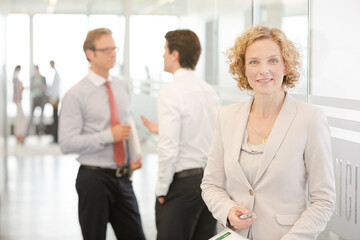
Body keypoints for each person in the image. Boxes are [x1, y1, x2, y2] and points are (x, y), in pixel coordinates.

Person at [201, 25, 336, 240]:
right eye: (254, 61)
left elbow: (324, 200)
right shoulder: (226, 117)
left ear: (286, 66)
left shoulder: (310, 118)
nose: (264, 69)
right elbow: (210, 185)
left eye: (273, 60)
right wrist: (227, 210)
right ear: (243, 69)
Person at [59, 28, 145, 240]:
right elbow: (67, 143)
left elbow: (127, 123)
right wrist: (109, 136)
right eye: (106, 49)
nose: (112, 53)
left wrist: (134, 154)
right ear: (90, 54)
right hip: (93, 179)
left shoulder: (122, 86)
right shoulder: (76, 94)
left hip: (123, 177)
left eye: (114, 48)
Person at [141, 29, 220, 240]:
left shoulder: (171, 92)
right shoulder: (209, 91)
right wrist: (162, 127)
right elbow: (206, 131)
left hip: (182, 185)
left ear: (175, 54)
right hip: (209, 183)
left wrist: (161, 188)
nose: (163, 55)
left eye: (165, 50)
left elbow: (168, 147)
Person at [26, 65, 47, 137]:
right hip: (34, 98)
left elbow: (45, 88)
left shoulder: (43, 78)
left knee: (41, 116)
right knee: (31, 116)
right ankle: (27, 133)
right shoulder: (32, 78)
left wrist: (43, 88)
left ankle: (40, 132)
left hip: (41, 98)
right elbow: (31, 88)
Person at [12, 65, 26, 144]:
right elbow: (16, 90)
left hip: (18, 100)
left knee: (21, 117)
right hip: (18, 100)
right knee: (20, 118)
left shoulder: (15, 77)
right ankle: (19, 135)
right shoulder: (15, 77)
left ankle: (19, 135)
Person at [48, 60, 60, 143]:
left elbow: (56, 89)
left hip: (55, 99)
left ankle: (56, 137)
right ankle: (55, 137)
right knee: (55, 118)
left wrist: (53, 100)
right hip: (54, 99)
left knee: (55, 119)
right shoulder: (54, 74)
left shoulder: (56, 75)